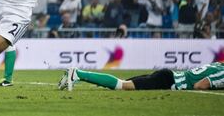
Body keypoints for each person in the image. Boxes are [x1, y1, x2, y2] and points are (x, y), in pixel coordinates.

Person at [58, 62, 224, 91]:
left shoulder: (219, 64)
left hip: (168, 76)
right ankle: (78, 73)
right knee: (122, 86)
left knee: (123, 84)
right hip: (168, 80)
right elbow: (200, 85)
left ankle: (77, 74)